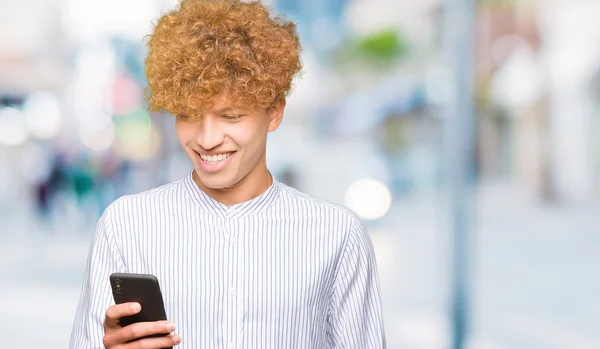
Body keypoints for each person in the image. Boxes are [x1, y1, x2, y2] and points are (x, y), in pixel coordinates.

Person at [69, 0, 386, 348]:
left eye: (231, 116)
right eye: (189, 114)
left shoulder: (338, 236)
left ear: (274, 112)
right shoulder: (126, 226)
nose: (207, 139)